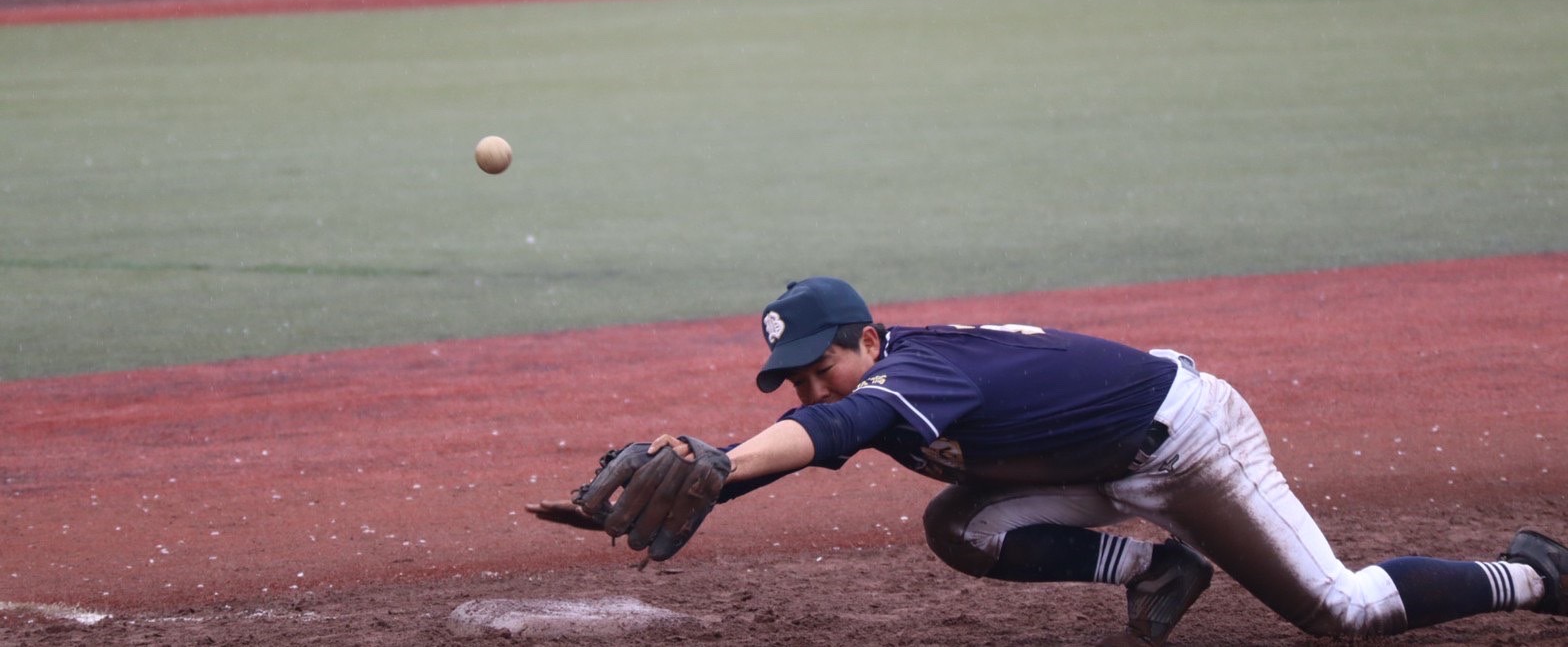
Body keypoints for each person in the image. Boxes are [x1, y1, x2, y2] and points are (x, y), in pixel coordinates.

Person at [532, 277, 1567, 646]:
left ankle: (1532, 576)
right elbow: (803, 447)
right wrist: (716, 463)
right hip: (1094, 460)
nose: (809, 387)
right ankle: (1163, 567)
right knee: (963, 525)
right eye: (791, 377)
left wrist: (719, 459)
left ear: (866, 338)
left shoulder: (915, 374)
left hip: (1186, 443)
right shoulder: (886, 381)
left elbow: (836, 434)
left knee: (1340, 612)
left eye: (819, 365)